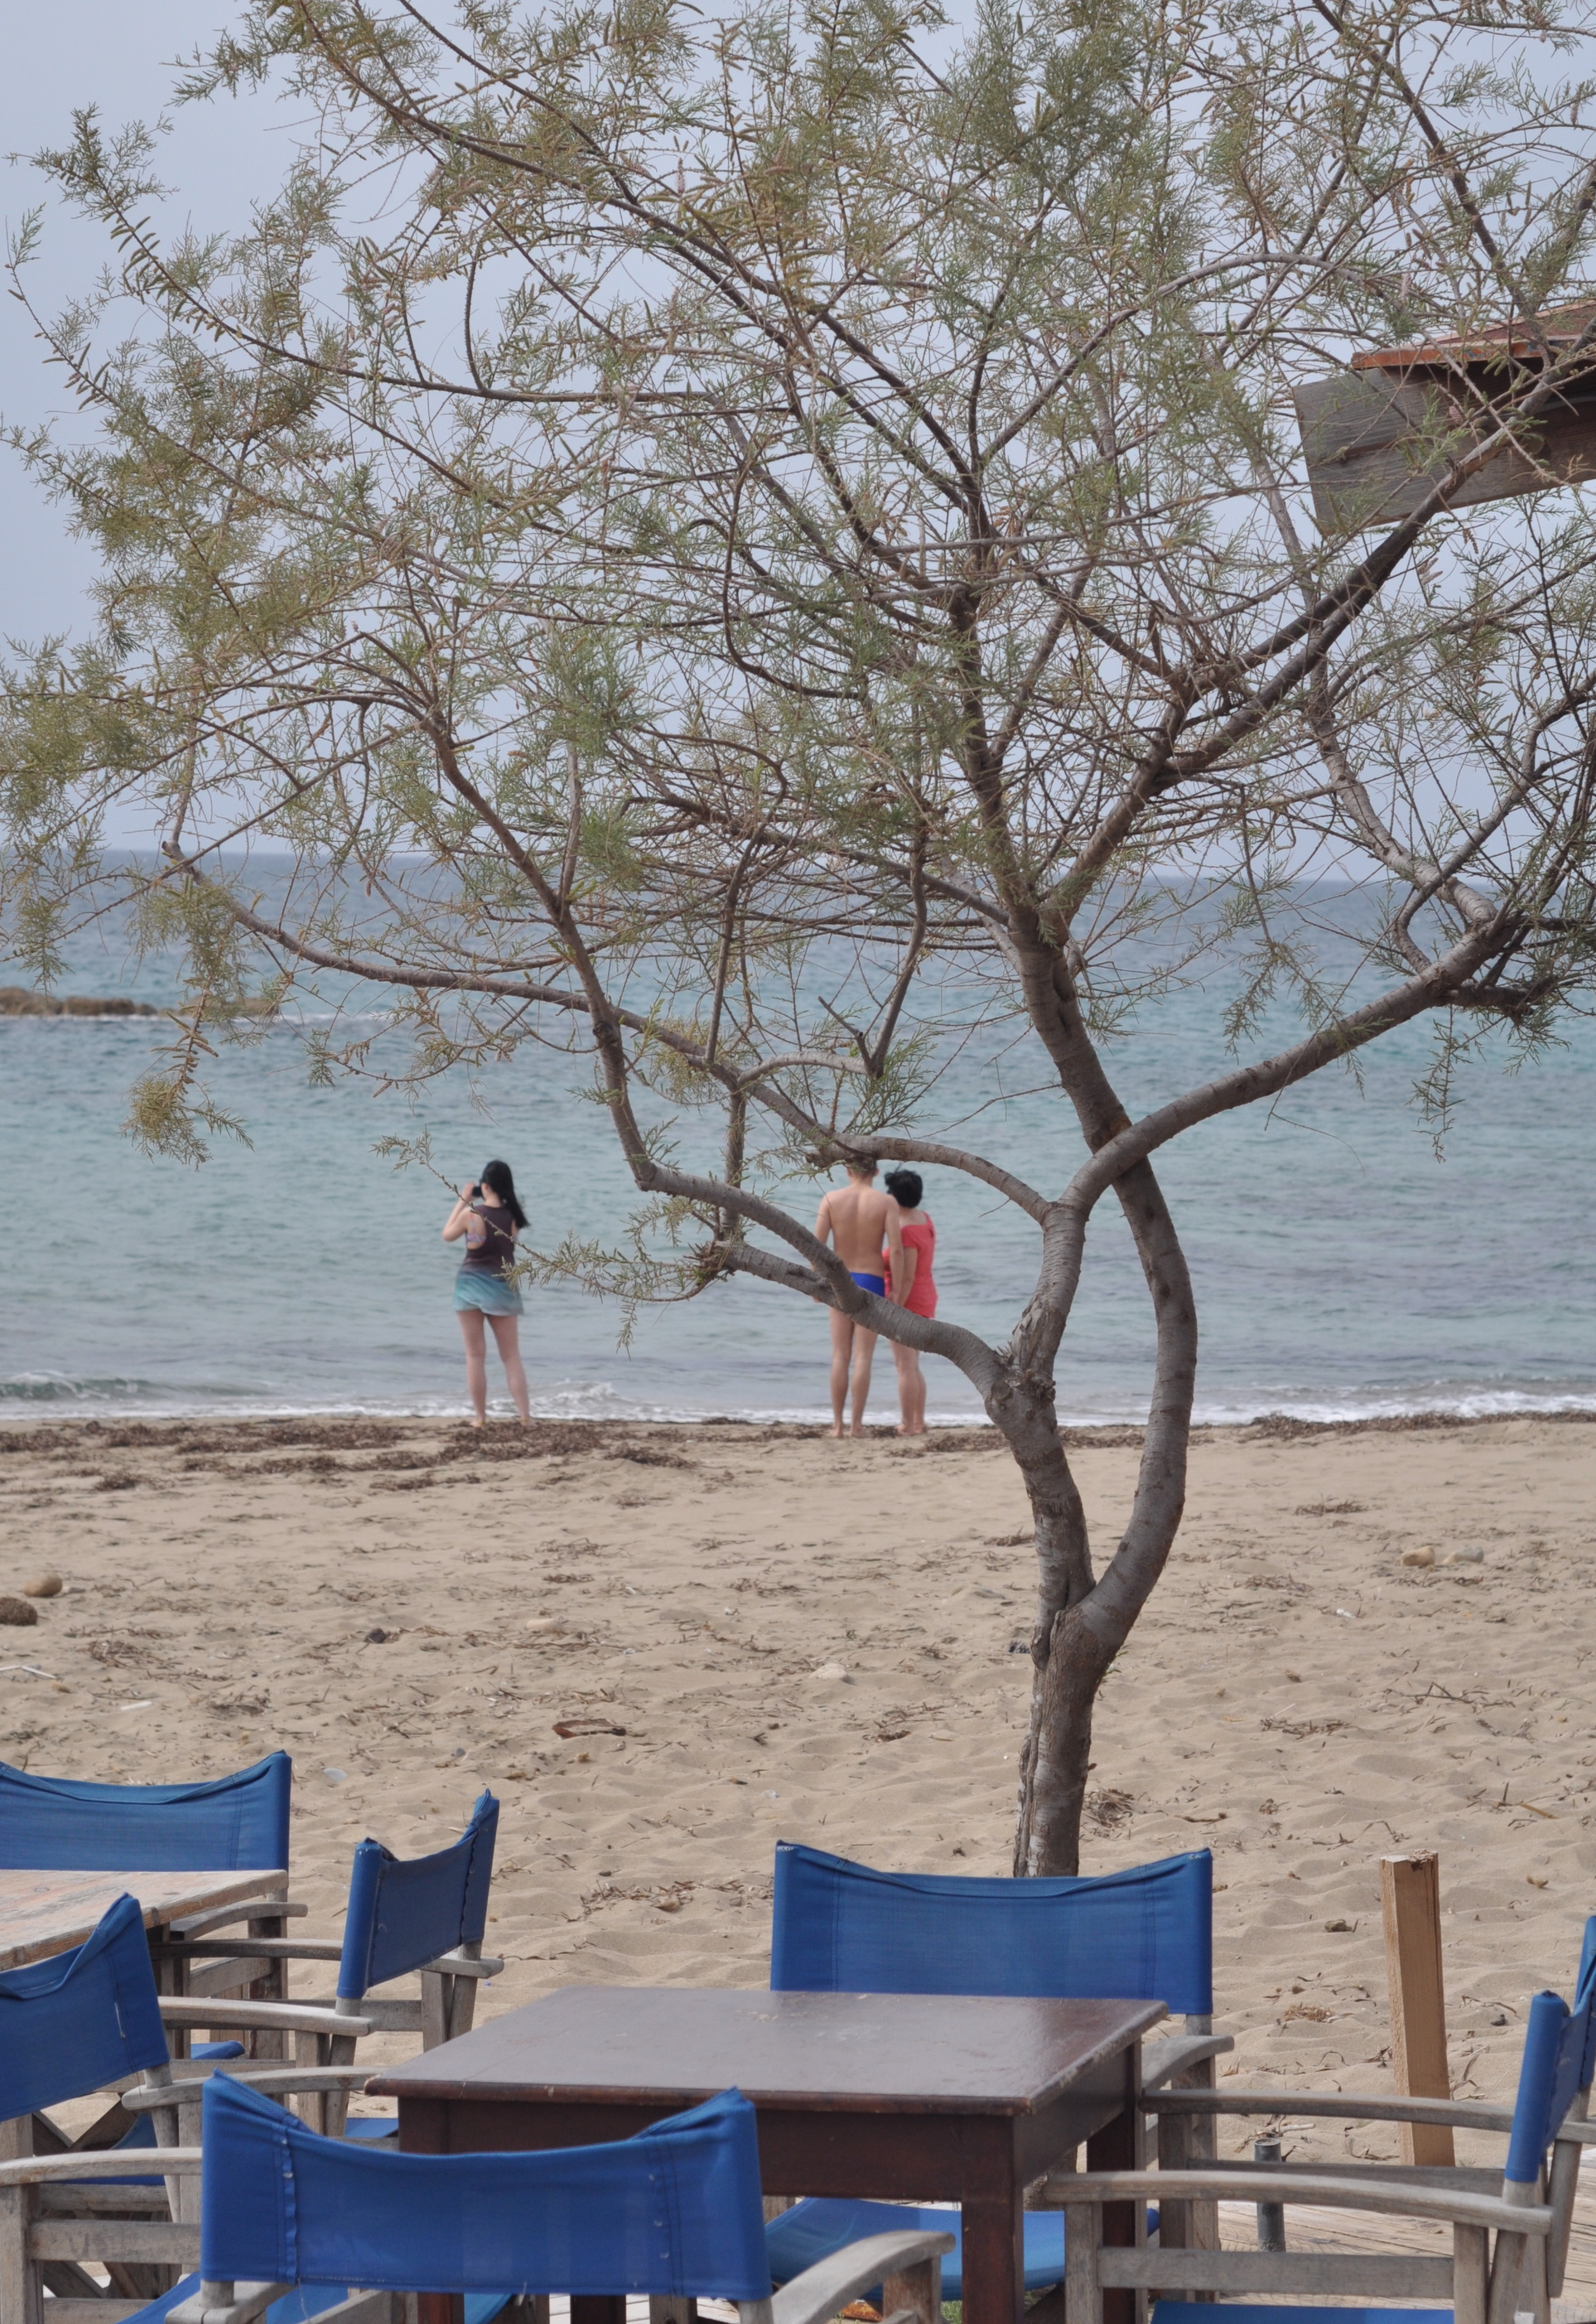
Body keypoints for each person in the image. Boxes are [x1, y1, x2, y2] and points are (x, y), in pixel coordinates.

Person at [813, 1157, 904, 1439]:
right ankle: (856, 1426)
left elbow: (817, 1246)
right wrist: (897, 1288)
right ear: (876, 1171)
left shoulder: (831, 1199)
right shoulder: (886, 1203)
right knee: (863, 1357)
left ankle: (837, 1426)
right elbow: (896, 1249)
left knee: (840, 1356)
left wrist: (816, 1283)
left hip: (840, 1281)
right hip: (872, 1281)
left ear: (847, 1170)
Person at [443, 1160, 531, 1426]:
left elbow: (447, 1235)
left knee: (475, 1356)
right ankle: (525, 1417)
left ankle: (480, 1418)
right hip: (503, 1288)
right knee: (511, 1356)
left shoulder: (472, 1215)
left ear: (485, 1186)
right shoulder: (514, 1218)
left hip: (469, 1287)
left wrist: (462, 1201)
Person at [882, 1167, 936, 1435]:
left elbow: (907, 1276)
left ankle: (908, 1424)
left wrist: (896, 1308)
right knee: (912, 1365)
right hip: (926, 1296)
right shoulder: (924, 1219)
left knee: (904, 1366)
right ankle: (919, 1421)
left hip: (910, 1300)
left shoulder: (906, 1231)